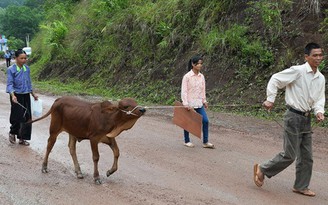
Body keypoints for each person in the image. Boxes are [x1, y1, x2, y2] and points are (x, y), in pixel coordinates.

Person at [253, 42, 325, 197]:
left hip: (306, 118)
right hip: (293, 116)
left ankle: (301, 186)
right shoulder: (297, 71)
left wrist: (319, 111)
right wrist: (270, 99)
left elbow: (319, 98)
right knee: (290, 155)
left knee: (307, 157)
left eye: (320, 55)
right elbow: (275, 79)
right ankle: (263, 168)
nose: (319, 58)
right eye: (315, 55)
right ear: (307, 57)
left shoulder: (320, 78)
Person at [6, 49, 38, 146]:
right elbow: (10, 84)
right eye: (21, 58)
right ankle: (12, 132)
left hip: (26, 94)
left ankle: (22, 138)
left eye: (25, 58)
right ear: (16, 58)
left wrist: (33, 94)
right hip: (16, 95)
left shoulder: (26, 69)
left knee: (27, 116)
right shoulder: (11, 69)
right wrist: (13, 95)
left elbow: (28, 83)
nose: (24, 60)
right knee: (17, 116)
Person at [181, 55, 214, 149]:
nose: (200, 65)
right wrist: (186, 103)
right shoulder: (187, 77)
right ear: (193, 64)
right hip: (189, 103)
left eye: (201, 63)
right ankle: (187, 141)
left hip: (199, 103)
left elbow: (203, 90)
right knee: (187, 122)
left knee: (205, 121)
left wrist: (204, 100)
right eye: (198, 63)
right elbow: (184, 91)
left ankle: (205, 142)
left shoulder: (201, 76)